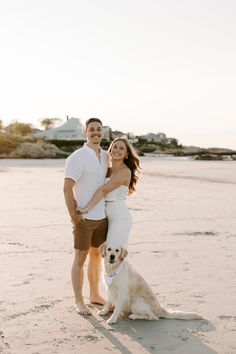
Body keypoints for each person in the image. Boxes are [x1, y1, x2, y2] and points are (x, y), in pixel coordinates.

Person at [63, 118, 109, 316]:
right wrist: (73, 216)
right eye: (92, 130)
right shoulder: (77, 157)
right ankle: (79, 301)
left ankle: (95, 295)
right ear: (85, 132)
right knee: (80, 260)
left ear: (103, 133)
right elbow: (66, 188)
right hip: (83, 218)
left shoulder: (106, 156)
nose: (96, 133)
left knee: (96, 258)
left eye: (99, 129)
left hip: (103, 217)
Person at [77, 137, 141, 248]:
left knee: (113, 253)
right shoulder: (107, 170)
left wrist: (86, 209)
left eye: (122, 148)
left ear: (126, 154)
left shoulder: (125, 171)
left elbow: (103, 190)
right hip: (106, 215)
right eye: (115, 147)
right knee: (107, 254)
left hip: (120, 217)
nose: (117, 150)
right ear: (110, 150)